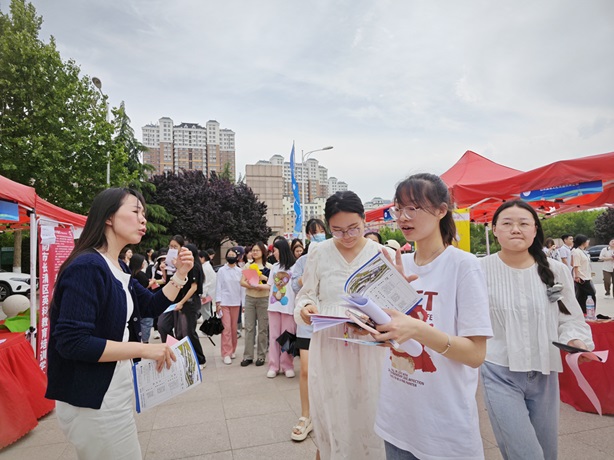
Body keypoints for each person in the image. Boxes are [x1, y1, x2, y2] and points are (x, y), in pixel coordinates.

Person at [46, 187, 194, 459]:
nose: (143, 220)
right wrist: (144, 349)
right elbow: (72, 342)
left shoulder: (118, 267)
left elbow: (149, 305)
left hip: (114, 390)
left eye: (144, 214)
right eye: (136, 211)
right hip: (94, 400)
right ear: (108, 217)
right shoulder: (88, 266)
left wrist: (181, 275)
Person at [372, 173, 492, 459]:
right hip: (396, 417)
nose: (402, 217)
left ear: (441, 210)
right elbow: (393, 333)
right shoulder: (401, 264)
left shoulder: (464, 266)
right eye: (398, 209)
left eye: (413, 208)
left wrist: (417, 328)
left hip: (443, 428)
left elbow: (476, 354)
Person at [480, 200, 593, 460]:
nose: (515, 229)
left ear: (535, 230)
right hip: (499, 371)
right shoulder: (478, 270)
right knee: (525, 454)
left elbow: (571, 318)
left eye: (523, 223)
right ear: (494, 229)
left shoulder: (557, 270)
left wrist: (575, 340)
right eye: (507, 223)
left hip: (545, 370)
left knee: (547, 452)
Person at [295, 191, 391, 459]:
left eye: (353, 228)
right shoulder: (319, 252)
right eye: (337, 230)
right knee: (332, 412)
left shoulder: (381, 253)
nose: (347, 236)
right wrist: (306, 309)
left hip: (370, 346)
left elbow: (393, 303)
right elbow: (306, 294)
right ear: (328, 227)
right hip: (329, 344)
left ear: (364, 220)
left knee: (370, 412)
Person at [290, 218, 326, 442]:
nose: (318, 235)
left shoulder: (333, 254)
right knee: (305, 369)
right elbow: (295, 285)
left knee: (326, 372)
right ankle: (306, 415)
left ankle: (324, 413)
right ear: (308, 236)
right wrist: (309, 271)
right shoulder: (302, 260)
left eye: (321, 231)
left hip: (329, 320)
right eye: (314, 232)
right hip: (307, 322)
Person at [267, 238, 297, 378]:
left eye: (275, 251)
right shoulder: (274, 267)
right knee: (273, 336)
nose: (274, 253)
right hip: (273, 306)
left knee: (287, 337)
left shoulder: (295, 267)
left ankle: (287, 365)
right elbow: (269, 285)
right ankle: (273, 365)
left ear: (282, 250)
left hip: (289, 307)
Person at [174, 243, 206, 369]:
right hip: (184, 303)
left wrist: (182, 302)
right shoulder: (185, 267)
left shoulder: (195, 267)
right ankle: (188, 358)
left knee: (190, 332)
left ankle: (200, 359)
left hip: (190, 303)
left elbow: (194, 287)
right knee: (181, 332)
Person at [239, 242, 271, 367]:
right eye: (253, 250)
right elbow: (242, 282)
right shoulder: (248, 265)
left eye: (257, 250)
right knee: (249, 328)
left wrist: (261, 277)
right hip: (250, 298)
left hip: (264, 299)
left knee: (263, 329)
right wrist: (253, 286)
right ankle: (248, 356)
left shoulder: (269, 266)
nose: (255, 252)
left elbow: (271, 283)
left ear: (263, 251)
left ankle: (261, 356)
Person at [216, 248, 243, 364]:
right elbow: (218, 287)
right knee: (226, 328)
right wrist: (218, 303)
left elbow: (243, 288)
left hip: (236, 302)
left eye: (233, 254)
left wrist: (244, 303)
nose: (231, 256)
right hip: (224, 303)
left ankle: (232, 350)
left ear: (237, 257)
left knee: (233, 328)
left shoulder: (240, 271)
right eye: (229, 254)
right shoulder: (222, 271)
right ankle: (225, 353)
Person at [130, 254, 154, 343]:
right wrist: (152, 282)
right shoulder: (140, 274)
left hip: (134, 302)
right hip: (143, 301)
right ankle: (144, 341)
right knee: (146, 322)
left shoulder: (129, 273)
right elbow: (145, 285)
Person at [571, 234, 596, 314]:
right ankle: (587, 311)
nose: (588, 242)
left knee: (581, 295)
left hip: (586, 276)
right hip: (582, 277)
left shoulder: (582, 251)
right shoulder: (576, 251)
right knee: (590, 294)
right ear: (583, 242)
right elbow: (575, 265)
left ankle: (581, 311)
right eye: (587, 240)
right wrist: (577, 276)